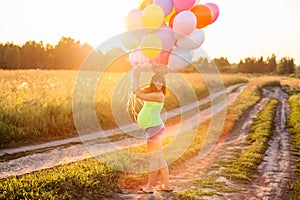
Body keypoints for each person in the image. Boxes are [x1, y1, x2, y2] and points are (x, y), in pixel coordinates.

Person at [132, 66, 173, 193]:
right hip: (154, 128)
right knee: (159, 158)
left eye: (161, 82)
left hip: (154, 129)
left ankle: (149, 187)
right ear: (152, 81)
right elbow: (137, 92)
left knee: (154, 159)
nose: (159, 84)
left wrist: (136, 75)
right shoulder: (153, 93)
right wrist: (137, 74)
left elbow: (137, 93)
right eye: (157, 81)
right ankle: (167, 186)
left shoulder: (159, 96)